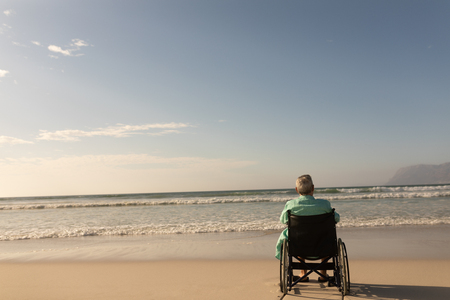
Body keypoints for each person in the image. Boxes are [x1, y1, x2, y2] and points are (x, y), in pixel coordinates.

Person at [275, 174, 340, 282]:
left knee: (298, 234)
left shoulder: (291, 205)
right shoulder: (324, 204)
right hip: (322, 245)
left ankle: (303, 273)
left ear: (296, 190)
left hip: (299, 245)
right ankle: (323, 274)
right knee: (325, 233)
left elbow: (283, 220)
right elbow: (336, 218)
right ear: (313, 188)